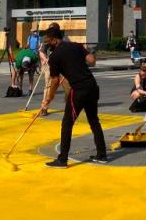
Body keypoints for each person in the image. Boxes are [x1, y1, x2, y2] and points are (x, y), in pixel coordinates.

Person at [41, 26, 107, 168]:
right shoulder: (76, 46)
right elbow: (92, 61)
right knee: (94, 120)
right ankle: (102, 155)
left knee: (67, 123)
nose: (46, 44)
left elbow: (54, 80)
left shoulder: (55, 56)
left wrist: (48, 99)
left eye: (47, 41)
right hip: (92, 86)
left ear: (54, 39)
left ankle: (62, 159)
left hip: (79, 90)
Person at [38, 23, 70, 116]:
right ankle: (44, 107)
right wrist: (45, 59)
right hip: (51, 64)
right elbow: (41, 51)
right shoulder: (47, 38)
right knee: (48, 86)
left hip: (63, 65)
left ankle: (69, 105)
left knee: (68, 85)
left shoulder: (64, 38)